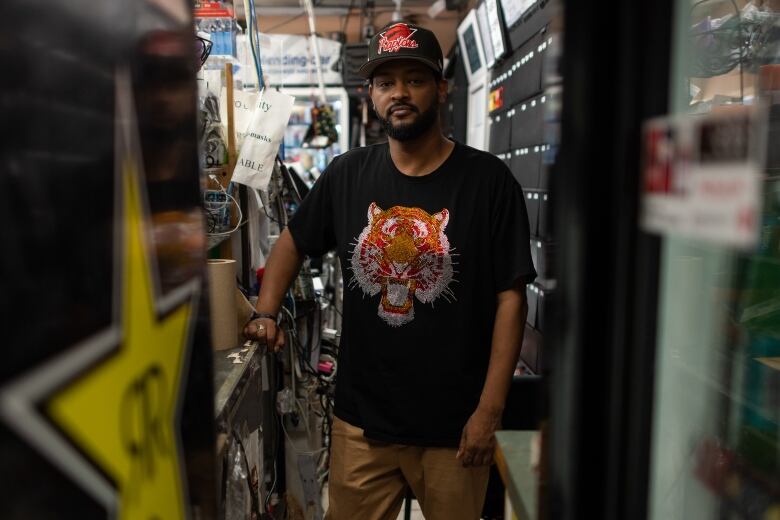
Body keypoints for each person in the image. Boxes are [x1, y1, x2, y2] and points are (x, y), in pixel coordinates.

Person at [244, 21, 536, 520]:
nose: (399, 93)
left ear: (442, 88)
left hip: (455, 426)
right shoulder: (347, 173)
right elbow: (293, 241)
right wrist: (266, 311)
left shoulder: (489, 182)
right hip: (363, 425)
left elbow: (510, 298)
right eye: (385, 83)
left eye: (414, 79)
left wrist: (490, 411)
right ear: (370, 95)